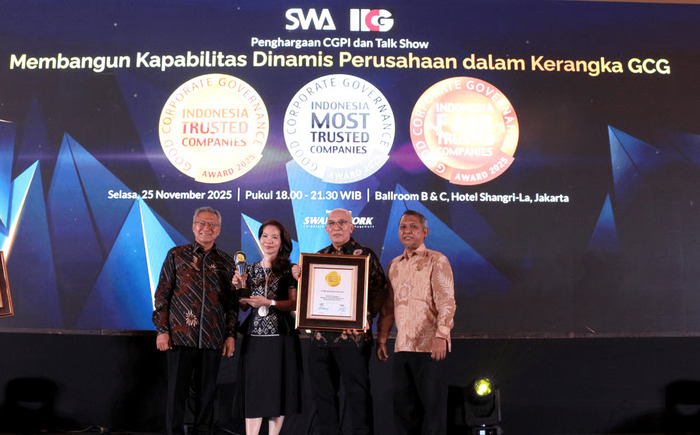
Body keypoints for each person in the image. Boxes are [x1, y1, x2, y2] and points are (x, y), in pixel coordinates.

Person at [298, 208, 389, 435]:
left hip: (353, 340)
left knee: (358, 395)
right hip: (320, 340)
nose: (337, 227)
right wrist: (299, 277)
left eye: (342, 222)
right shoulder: (317, 257)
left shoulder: (365, 255)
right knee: (323, 397)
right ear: (326, 228)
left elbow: (380, 291)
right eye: (332, 223)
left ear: (351, 227)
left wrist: (364, 317)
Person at [152, 206, 238, 435]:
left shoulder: (227, 262)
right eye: (202, 222)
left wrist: (230, 335)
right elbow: (162, 294)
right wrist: (162, 329)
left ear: (218, 230)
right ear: (193, 227)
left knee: (207, 395)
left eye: (212, 224)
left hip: (213, 338)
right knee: (176, 394)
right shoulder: (176, 255)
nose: (206, 228)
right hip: (180, 337)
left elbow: (232, 303)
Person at [376, 210, 456, 435]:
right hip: (403, 348)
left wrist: (441, 335)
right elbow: (389, 306)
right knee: (405, 416)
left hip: (430, 348)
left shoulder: (437, 260)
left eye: (413, 227)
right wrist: (382, 337)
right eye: (403, 227)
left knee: (432, 417)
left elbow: (447, 301)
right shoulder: (395, 265)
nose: (407, 231)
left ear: (425, 232)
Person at [232, 219, 302, 435]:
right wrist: (239, 288)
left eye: (274, 237)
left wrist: (270, 302)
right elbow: (244, 306)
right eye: (265, 236)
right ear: (259, 239)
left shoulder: (290, 270)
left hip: (281, 339)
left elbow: (294, 303)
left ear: (282, 242)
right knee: (253, 392)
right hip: (254, 340)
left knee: (277, 391)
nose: (269, 241)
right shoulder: (249, 269)